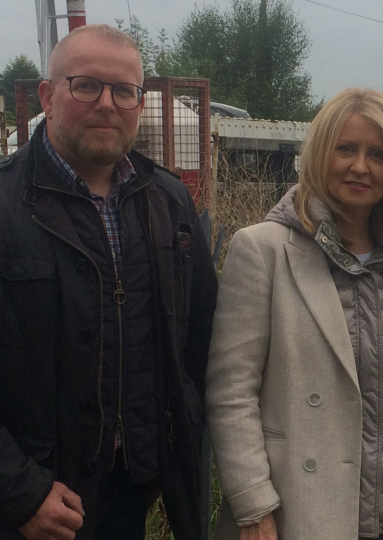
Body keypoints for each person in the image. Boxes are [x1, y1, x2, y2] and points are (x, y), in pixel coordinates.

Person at [0, 24, 217, 540]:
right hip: (26, 504)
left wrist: (165, 447)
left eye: (124, 90)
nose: (107, 103)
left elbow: (199, 342)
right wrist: (19, 491)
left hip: (127, 494)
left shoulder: (169, 203)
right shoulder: (5, 205)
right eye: (86, 86)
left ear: (140, 103)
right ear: (49, 98)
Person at [206, 88, 383, 540]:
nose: (361, 166)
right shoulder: (262, 251)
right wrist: (253, 504)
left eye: (378, 153)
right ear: (319, 154)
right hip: (298, 513)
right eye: (346, 148)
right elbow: (231, 392)